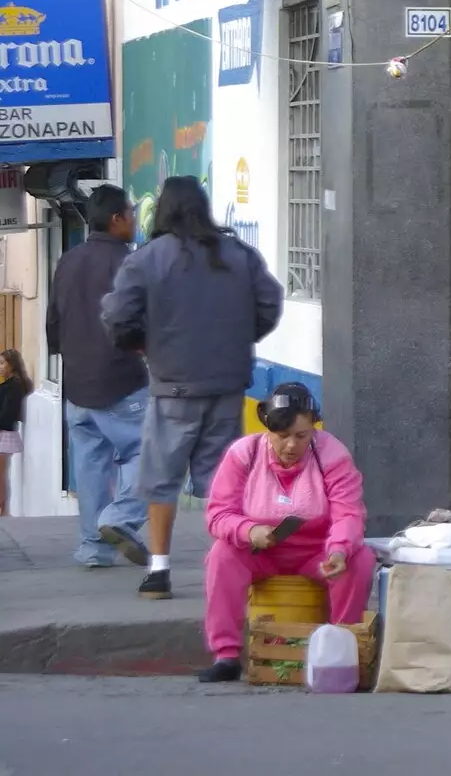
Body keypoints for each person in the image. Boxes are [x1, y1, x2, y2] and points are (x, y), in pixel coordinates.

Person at [102, 175, 285, 600]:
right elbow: (269, 304)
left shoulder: (147, 259)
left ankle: (160, 569)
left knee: (161, 476)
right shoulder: (238, 254)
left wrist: (143, 345)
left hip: (173, 386)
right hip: (226, 383)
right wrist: (241, 338)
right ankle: (230, 564)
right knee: (222, 477)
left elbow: (117, 316)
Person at [196, 382, 375, 683]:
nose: (291, 446)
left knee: (361, 560)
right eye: (282, 437)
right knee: (222, 555)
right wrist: (248, 530)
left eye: (301, 436)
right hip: (261, 552)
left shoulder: (332, 454)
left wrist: (339, 550)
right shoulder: (244, 454)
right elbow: (218, 514)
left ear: (313, 430)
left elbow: (349, 512)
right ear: (267, 429)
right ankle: (226, 655)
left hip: (316, 552)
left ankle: (342, 645)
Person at [46, 184, 151, 568]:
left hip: (77, 384)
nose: (136, 221)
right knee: (152, 450)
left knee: (91, 462)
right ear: (117, 219)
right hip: (121, 382)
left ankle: (93, 548)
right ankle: (120, 519)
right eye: (132, 214)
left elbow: (53, 326)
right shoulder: (133, 263)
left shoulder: (68, 261)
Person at [0, 349, 31, 516]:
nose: (0, 367)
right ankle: (4, 509)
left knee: (0, 477)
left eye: (3, 363)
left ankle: (3, 510)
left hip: (4, 435)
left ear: (12, 365)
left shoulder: (13, 387)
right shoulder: (9, 385)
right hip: (4, 433)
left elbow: (7, 414)